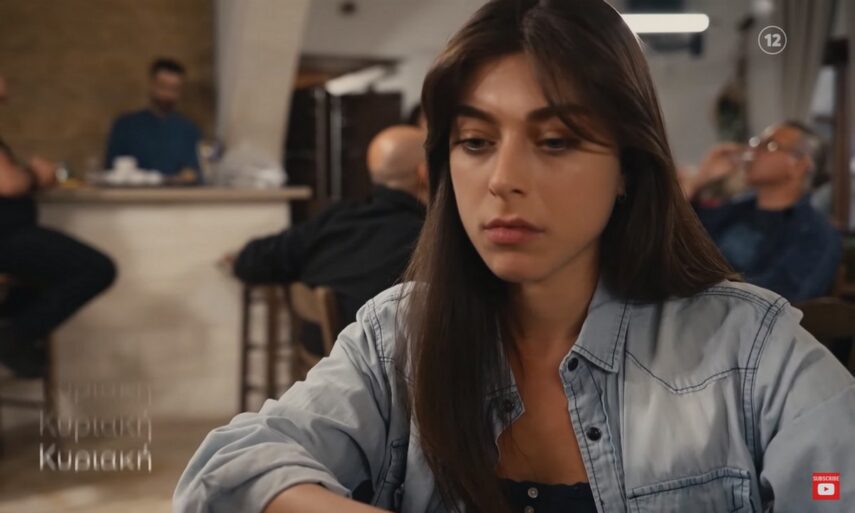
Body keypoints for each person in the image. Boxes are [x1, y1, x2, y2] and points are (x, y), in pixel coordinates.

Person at [174, 1, 855, 512]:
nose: (502, 179)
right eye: (475, 141)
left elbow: (832, 484)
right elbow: (226, 469)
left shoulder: (751, 351)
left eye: (555, 141)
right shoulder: (398, 336)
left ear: (627, 166)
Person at [230, 124, 427, 344]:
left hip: (320, 358)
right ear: (424, 173)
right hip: (378, 362)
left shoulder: (337, 219)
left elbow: (250, 260)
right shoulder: (425, 239)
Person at [0, 75, 116, 378]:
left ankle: (15, 328)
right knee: (97, 268)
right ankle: (14, 337)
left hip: (11, 237)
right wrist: (36, 174)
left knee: (41, 284)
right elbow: (7, 183)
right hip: (6, 238)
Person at [682, 122, 841, 302]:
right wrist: (699, 180)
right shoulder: (734, 209)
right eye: (755, 143)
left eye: (769, 145)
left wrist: (697, 286)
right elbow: (679, 243)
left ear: (799, 166)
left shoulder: (815, 233)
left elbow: (778, 297)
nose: (751, 152)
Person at [104, 57, 202, 183]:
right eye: (163, 87)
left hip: (176, 194)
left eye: (174, 89)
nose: (167, 95)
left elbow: (195, 172)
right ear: (152, 85)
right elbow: (111, 171)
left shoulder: (189, 130)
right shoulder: (126, 126)